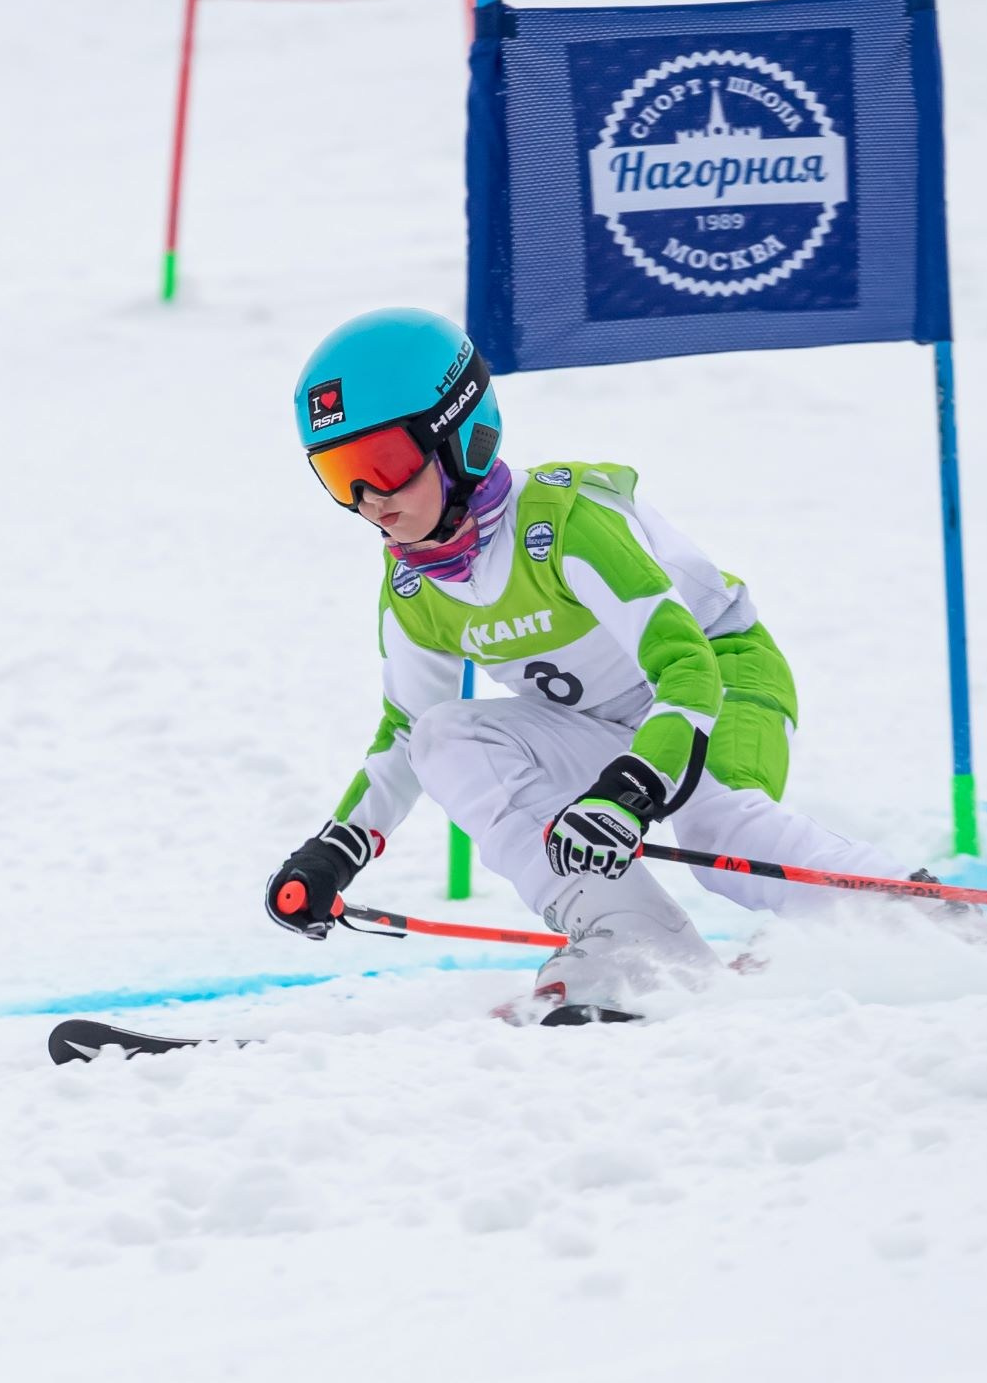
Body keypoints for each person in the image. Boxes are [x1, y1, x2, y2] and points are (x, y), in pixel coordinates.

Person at [266, 309, 929, 1024]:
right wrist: (335, 851)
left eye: (384, 464)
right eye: (341, 476)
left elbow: (685, 663)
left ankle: (921, 919)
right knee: (443, 736)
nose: (371, 501)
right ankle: (635, 942)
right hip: (602, 725)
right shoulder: (413, 588)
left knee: (716, 833)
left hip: (721, 681)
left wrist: (630, 790)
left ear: (458, 433)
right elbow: (404, 731)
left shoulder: (565, 524)